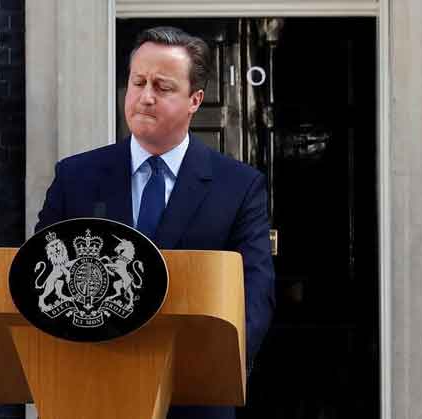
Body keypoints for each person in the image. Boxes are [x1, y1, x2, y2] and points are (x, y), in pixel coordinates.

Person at [35, 26, 275, 419]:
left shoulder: (239, 186)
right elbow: (41, 276)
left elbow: (255, 295)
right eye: (137, 82)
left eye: (162, 87)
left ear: (195, 99)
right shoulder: (75, 176)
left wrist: (208, 371)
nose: (145, 97)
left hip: (194, 401)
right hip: (89, 391)